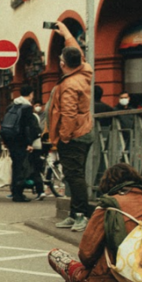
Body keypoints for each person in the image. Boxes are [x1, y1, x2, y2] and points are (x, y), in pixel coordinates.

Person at [49, 21, 95, 232]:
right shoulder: (84, 71)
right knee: (74, 176)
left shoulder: (69, 84)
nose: (59, 61)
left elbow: (68, 114)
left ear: (64, 64)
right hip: (84, 131)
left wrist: (63, 138)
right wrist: (66, 33)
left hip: (74, 135)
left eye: (60, 59)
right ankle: (75, 213)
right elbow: (77, 52)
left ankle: (82, 215)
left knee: (75, 177)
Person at [3, 84, 41, 202]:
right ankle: (18, 194)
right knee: (21, 167)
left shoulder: (12, 105)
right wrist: (29, 143)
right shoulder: (27, 107)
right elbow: (27, 127)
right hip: (21, 141)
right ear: (31, 94)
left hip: (11, 139)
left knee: (15, 166)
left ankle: (14, 191)